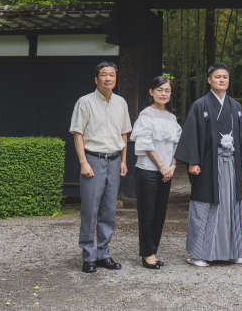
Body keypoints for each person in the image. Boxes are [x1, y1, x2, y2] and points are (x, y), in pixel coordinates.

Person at [175, 63, 242, 267]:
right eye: (217, 77)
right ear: (209, 80)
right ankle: (199, 253)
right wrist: (193, 161)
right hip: (208, 164)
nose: (222, 80)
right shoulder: (200, 105)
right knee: (205, 206)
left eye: (225, 77)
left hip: (231, 164)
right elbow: (191, 134)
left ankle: (232, 251)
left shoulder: (235, 106)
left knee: (231, 205)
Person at [70, 61, 131, 274]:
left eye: (112, 75)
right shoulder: (84, 102)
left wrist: (123, 160)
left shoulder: (121, 103)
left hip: (114, 160)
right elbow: (78, 133)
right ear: (96, 79)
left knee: (109, 210)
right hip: (93, 160)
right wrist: (83, 162)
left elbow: (124, 132)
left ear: (115, 78)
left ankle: (103, 253)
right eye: (103, 75)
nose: (108, 78)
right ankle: (88, 256)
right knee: (90, 209)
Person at [130, 76, 182, 270]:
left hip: (167, 171)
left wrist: (173, 166)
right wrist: (161, 165)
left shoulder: (172, 117)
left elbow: (178, 145)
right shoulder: (146, 115)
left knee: (160, 213)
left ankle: (153, 250)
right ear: (151, 92)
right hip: (148, 171)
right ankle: (146, 254)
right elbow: (145, 144)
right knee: (147, 213)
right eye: (159, 90)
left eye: (167, 90)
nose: (163, 94)